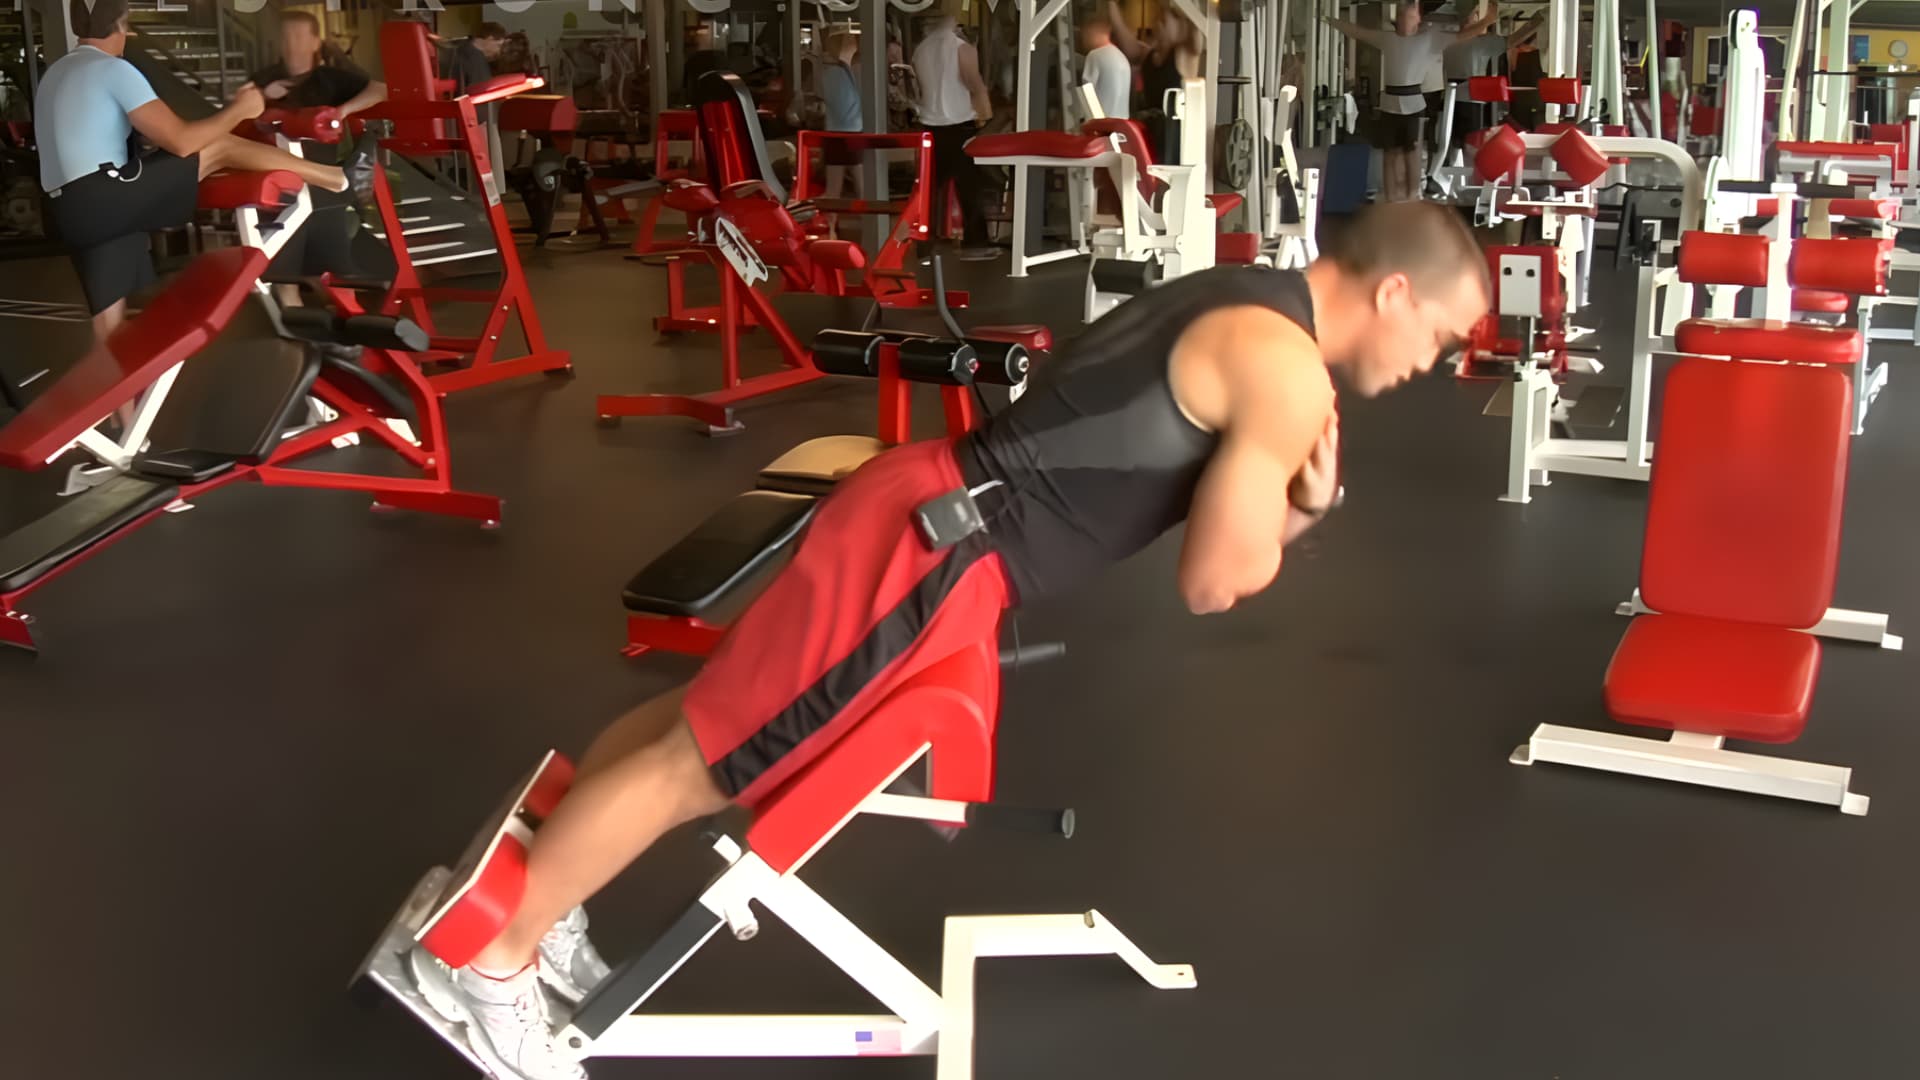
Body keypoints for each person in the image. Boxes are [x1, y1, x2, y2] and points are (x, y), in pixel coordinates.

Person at [402, 200, 1494, 1080]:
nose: (1434, 360)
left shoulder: (1241, 293)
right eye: (1440, 334)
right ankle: (492, 960)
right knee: (710, 764)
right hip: (935, 556)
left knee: (698, 725)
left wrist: (1291, 495)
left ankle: (541, 905)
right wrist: (1319, 496)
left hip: (925, 512)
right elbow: (1216, 580)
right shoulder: (1289, 369)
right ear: (1394, 292)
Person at [33, 0, 349, 352]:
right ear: (121, 25)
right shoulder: (114, 70)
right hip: (105, 197)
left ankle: (119, 410)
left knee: (109, 328)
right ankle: (333, 177)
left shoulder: (56, 72)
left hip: (70, 212)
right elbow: (183, 142)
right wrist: (240, 110)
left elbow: (117, 134)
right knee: (217, 147)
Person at [250, 10, 388, 283]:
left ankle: (341, 311)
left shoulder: (332, 78)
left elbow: (380, 89)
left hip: (323, 182)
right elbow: (240, 118)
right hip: (277, 184)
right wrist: (262, 98)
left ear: (315, 42)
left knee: (337, 268)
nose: (292, 43)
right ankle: (289, 317)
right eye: (287, 36)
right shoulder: (263, 79)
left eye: (299, 36)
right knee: (283, 272)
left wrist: (342, 111)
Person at [1325, 1, 1499, 203]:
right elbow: (1358, 32)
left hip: (1413, 103)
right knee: (1390, 153)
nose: (1405, 13)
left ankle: (1412, 198)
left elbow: (1462, 36)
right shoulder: (1386, 38)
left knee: (1411, 153)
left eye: (1410, 9)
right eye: (1402, 11)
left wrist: (1488, 20)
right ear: (1398, 19)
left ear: (1418, 18)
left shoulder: (1430, 39)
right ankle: (1391, 199)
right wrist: (1328, 20)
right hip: (1390, 103)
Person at [912, 12, 997, 261]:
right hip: (960, 125)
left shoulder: (920, 50)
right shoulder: (962, 49)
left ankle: (925, 244)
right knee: (970, 187)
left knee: (929, 190)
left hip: (929, 126)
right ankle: (976, 244)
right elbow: (975, 84)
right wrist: (988, 118)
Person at [1109, 2, 1202, 164]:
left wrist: (1188, 10)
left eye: (1164, 22)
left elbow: (1197, 37)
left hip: (1174, 138)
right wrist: (1111, 4)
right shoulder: (1148, 54)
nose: (1158, 25)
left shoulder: (1185, 54)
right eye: (1158, 20)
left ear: (1182, 26)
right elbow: (1128, 45)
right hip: (1149, 133)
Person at [1441, 4, 1541, 148]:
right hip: (1471, 102)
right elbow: (1513, 40)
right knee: (1471, 147)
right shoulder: (1480, 43)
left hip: (1446, 100)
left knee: (1450, 146)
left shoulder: (1446, 41)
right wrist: (1538, 20)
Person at [448, 22, 508, 184]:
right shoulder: (474, 58)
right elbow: (479, 93)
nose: (498, 51)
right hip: (476, 122)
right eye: (498, 45)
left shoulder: (461, 52)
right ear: (488, 38)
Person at [817, 31, 862, 205]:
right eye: (850, 40)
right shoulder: (836, 72)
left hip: (837, 133)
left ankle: (831, 228)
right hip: (849, 132)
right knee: (861, 185)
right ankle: (871, 226)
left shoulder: (833, 69)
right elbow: (846, 106)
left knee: (835, 188)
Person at [1080, 14, 1132, 122]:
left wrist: (1084, 121)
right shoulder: (1121, 57)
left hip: (1102, 123)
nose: (1084, 39)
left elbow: (1087, 92)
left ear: (1093, 32)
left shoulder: (1095, 55)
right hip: (1122, 123)